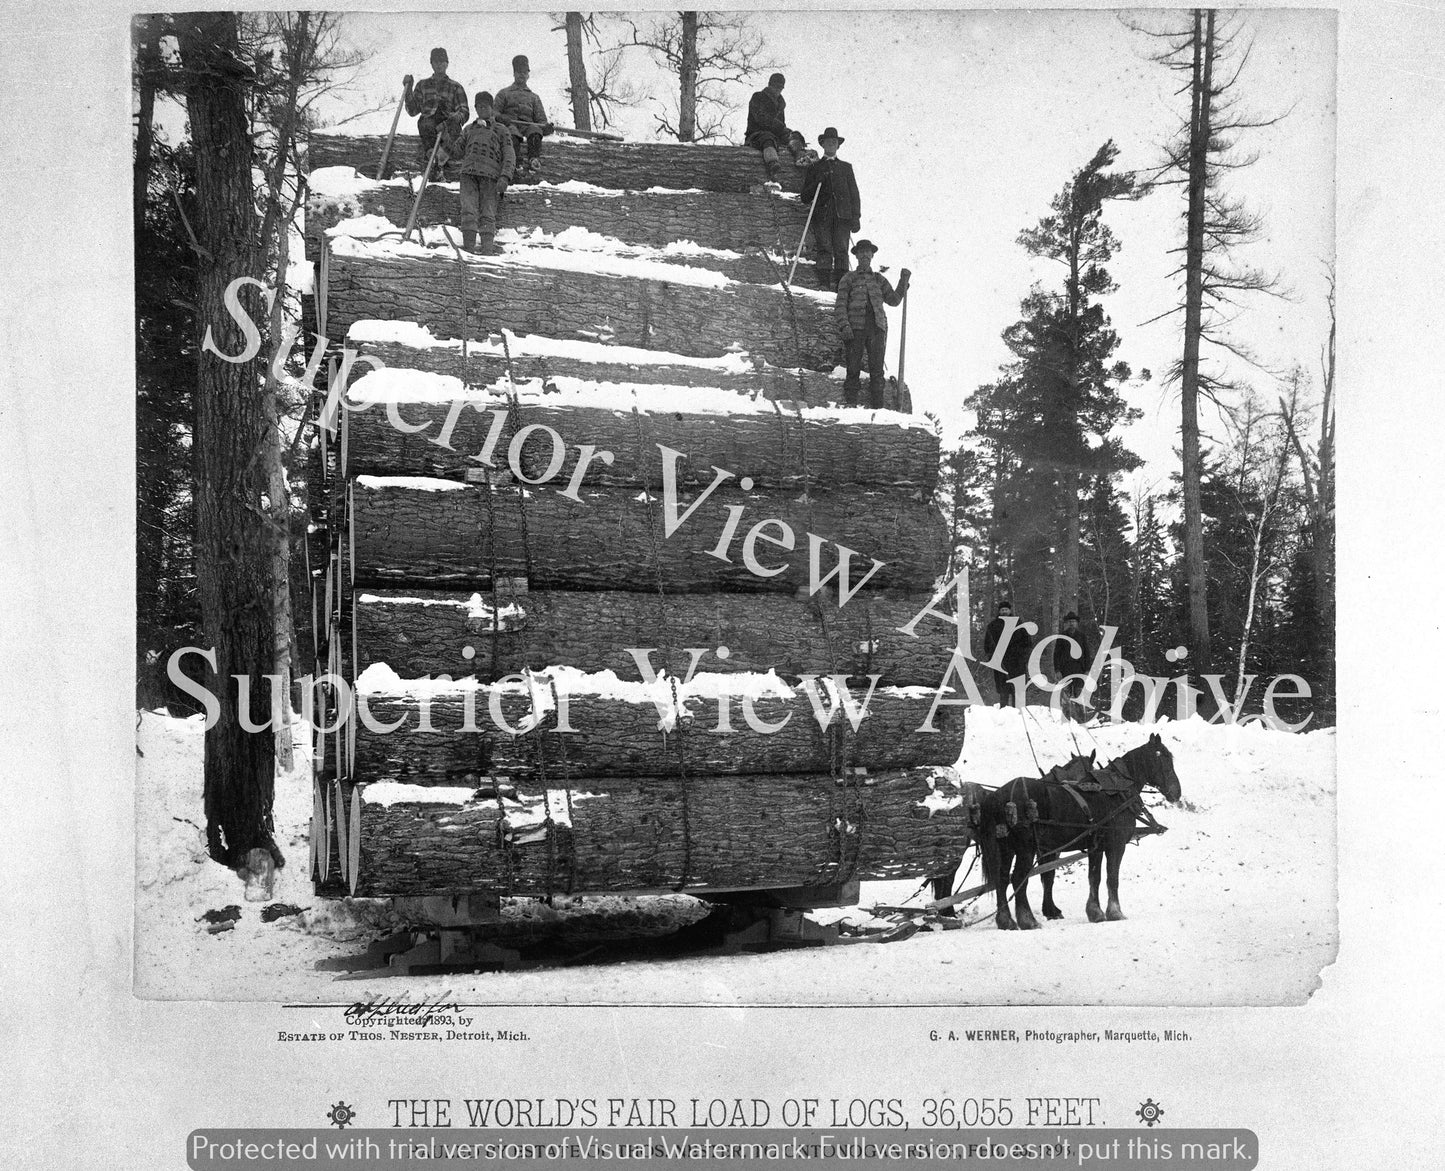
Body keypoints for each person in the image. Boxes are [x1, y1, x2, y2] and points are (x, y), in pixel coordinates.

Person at [833, 240, 910, 407]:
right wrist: (844, 326)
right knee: (853, 368)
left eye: (868, 252)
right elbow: (840, 305)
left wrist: (903, 282)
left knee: (877, 371)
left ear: (872, 255)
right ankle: (851, 404)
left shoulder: (879, 280)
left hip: (876, 329)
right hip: (855, 329)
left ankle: (878, 406)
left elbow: (894, 300)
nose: (865, 255)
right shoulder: (848, 278)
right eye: (861, 252)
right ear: (857, 256)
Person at [801, 127, 861, 290]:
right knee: (825, 248)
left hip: (843, 217)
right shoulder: (814, 168)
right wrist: (816, 182)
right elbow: (805, 197)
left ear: (838, 145)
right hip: (822, 216)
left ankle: (842, 287)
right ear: (822, 144)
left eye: (834, 142)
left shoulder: (846, 168)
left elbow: (854, 194)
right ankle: (824, 284)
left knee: (842, 250)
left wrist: (856, 217)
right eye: (828, 142)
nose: (832, 145)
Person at [456, 92, 515, 254]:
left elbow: (509, 154)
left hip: (490, 176)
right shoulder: (468, 129)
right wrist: (449, 132)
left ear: (492, 108)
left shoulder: (501, 129)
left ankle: (487, 250)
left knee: (488, 213)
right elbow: (456, 151)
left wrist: (505, 176)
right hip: (468, 174)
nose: (482, 110)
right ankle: (468, 249)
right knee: (468, 210)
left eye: (485, 107)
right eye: (479, 107)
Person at [403, 48, 468, 176]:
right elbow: (412, 110)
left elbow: (464, 111)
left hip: (448, 126)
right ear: (431, 64)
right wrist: (408, 90)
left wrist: (455, 117)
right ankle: (434, 160)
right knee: (426, 123)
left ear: (447, 64)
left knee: (453, 128)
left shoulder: (456, 87)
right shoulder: (422, 85)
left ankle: (440, 159)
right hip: (428, 126)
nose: (439, 64)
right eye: (436, 61)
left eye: (442, 61)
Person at [495, 54, 552, 179]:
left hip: (528, 127)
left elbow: (541, 121)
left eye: (524, 72)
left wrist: (546, 128)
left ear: (528, 75)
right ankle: (516, 163)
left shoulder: (534, 97)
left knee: (535, 130)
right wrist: (501, 118)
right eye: (519, 72)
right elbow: (494, 113)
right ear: (514, 74)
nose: (522, 75)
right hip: (510, 125)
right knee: (512, 133)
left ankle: (534, 159)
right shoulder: (503, 93)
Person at [745, 73, 797, 184]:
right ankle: (772, 162)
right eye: (776, 86)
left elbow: (781, 123)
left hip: (775, 134)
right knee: (767, 138)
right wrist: (781, 128)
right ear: (770, 85)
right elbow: (761, 119)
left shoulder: (780, 103)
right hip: (757, 134)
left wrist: (786, 133)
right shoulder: (758, 97)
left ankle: (800, 156)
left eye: (780, 87)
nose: (778, 90)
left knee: (795, 135)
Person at [983, 601, 1034, 707]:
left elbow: (1028, 643)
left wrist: (1023, 657)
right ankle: (1004, 712)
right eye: (1002, 610)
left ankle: (1019, 713)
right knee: (1003, 691)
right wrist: (993, 657)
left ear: (1010, 611)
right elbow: (987, 645)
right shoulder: (993, 626)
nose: (1004, 612)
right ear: (999, 611)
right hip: (1001, 662)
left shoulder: (1019, 624)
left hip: (1017, 662)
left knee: (1018, 690)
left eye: (1006, 610)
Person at [1053, 611, 1094, 717]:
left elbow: (1087, 654)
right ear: (1066, 623)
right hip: (1065, 670)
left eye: (1074, 621)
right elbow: (1056, 654)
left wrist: (1087, 669)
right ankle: (1066, 720)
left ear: (1077, 623)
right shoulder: (1062, 636)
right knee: (1065, 698)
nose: (1072, 623)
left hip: (1079, 669)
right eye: (1070, 621)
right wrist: (1057, 670)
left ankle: (1080, 720)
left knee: (1079, 696)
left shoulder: (1082, 636)